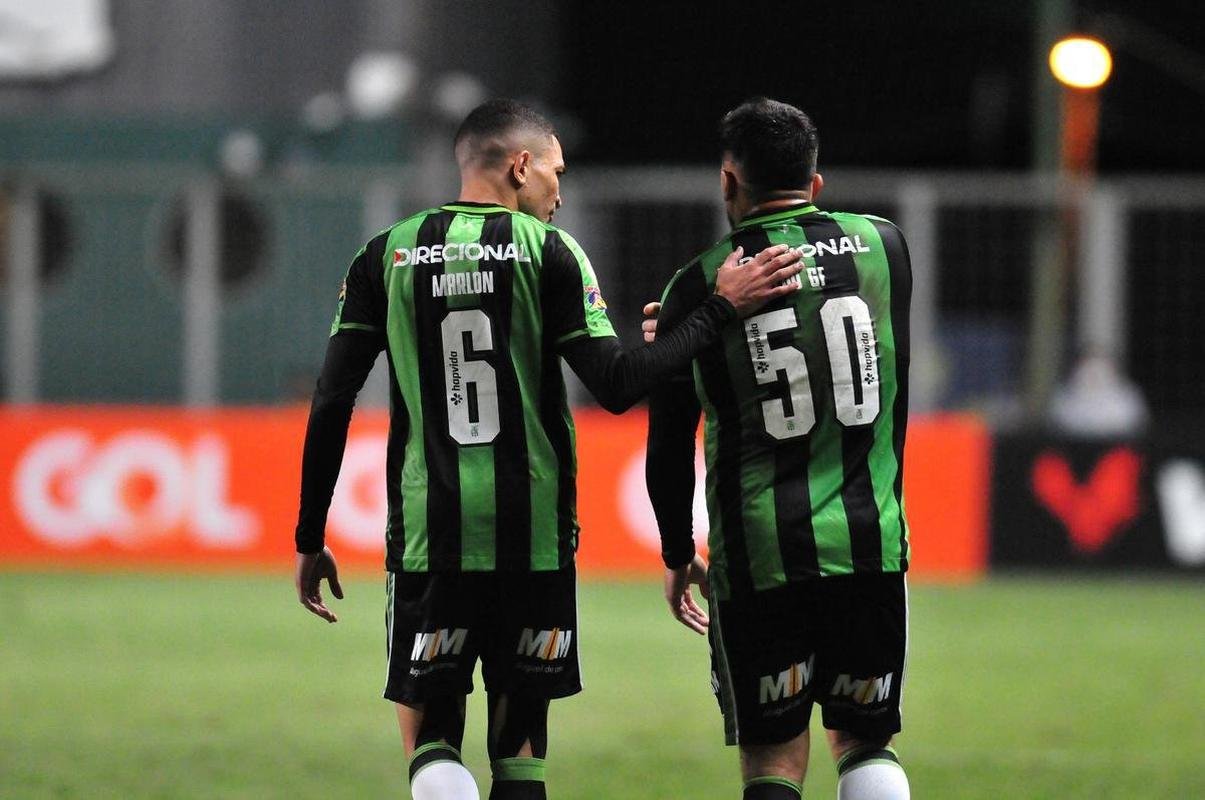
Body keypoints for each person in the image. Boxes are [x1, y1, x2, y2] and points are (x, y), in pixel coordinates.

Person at [292, 98, 803, 800]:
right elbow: (620, 385)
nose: (559, 191)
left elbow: (330, 400)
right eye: (555, 173)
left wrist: (309, 532)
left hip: (430, 537)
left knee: (433, 737)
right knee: (520, 756)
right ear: (520, 166)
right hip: (532, 542)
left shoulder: (387, 254)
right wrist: (717, 310)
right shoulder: (549, 253)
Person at [645, 98, 913, 800]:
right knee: (864, 742)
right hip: (869, 541)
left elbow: (668, 443)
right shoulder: (884, 246)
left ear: (727, 181)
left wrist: (677, 552)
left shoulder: (699, 283)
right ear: (815, 181)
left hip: (760, 553)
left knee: (773, 759)